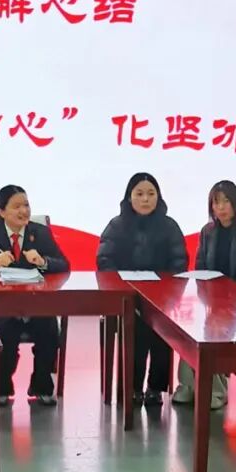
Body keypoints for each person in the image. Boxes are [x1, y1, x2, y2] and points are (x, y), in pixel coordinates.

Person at [0, 184, 68, 406]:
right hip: (4, 305)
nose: (24, 211)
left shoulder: (40, 232)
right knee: (5, 335)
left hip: (36, 303)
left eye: (26, 205)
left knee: (49, 331)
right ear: (1, 211)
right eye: (17, 206)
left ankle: (41, 385)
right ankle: (1, 387)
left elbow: (63, 263)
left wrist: (43, 261)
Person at [96, 172, 187, 405]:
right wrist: (122, 285)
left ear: (158, 196)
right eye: (139, 194)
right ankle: (132, 387)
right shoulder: (116, 226)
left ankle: (155, 388)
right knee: (136, 332)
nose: (145, 199)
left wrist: (166, 287)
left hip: (161, 299)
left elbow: (179, 263)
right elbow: (105, 261)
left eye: (150, 193)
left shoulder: (169, 226)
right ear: (129, 197)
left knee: (161, 333)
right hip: (128, 298)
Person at [173, 180, 236, 410]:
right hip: (211, 300)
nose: (221, 207)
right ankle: (187, 385)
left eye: (226, 201)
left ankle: (217, 391)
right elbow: (200, 266)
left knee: (216, 332)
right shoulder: (207, 232)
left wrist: (228, 302)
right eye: (216, 202)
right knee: (189, 333)